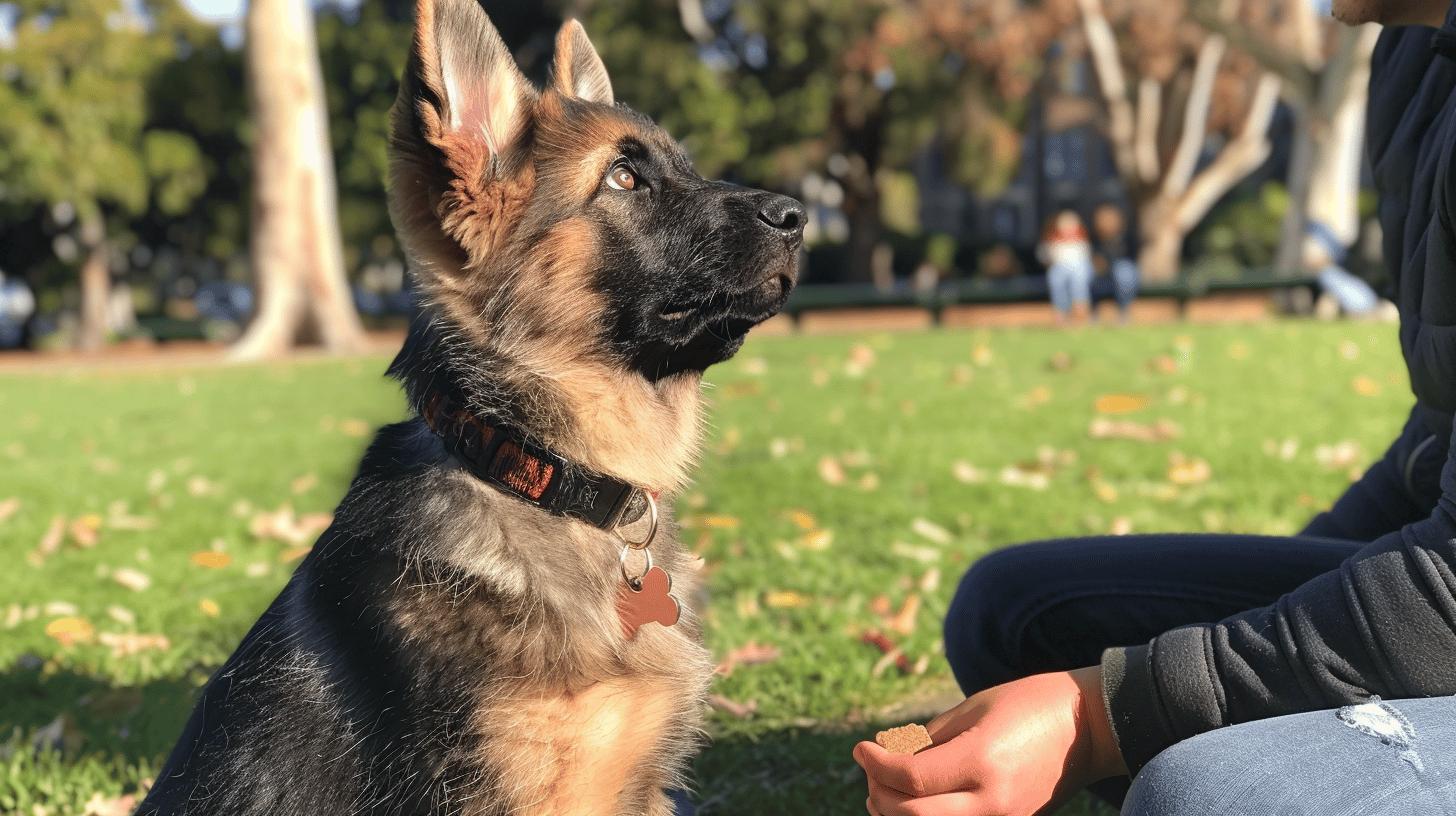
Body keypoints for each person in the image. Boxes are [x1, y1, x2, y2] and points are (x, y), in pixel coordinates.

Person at [854, 3, 1456, 814]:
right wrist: (1262, 623)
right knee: (1015, 614)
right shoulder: (1412, 54)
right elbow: (1439, 428)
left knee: (1198, 794)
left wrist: (1102, 718)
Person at [1039, 210, 1093, 324]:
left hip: (1078, 268)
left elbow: (1087, 256)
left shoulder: (1081, 237)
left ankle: (1080, 310)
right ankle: (1061, 312)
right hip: (1059, 268)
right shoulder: (1052, 238)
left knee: (1080, 277)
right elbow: (1044, 256)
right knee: (1055, 278)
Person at [1093, 204, 1139, 322]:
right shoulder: (1094, 239)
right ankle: (1092, 315)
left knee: (1124, 271)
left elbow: (1131, 259)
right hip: (1100, 277)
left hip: (1122, 277)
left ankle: (1123, 314)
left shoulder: (1127, 237)